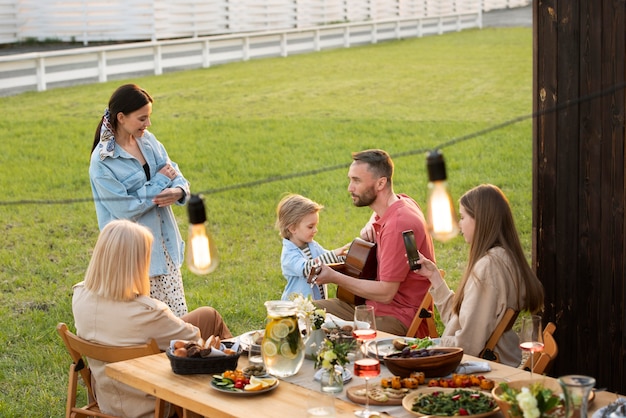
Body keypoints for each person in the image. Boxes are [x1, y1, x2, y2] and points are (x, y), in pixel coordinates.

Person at [72, 219, 232, 418]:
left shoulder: (79, 294)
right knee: (207, 336)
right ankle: (233, 388)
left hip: (106, 396)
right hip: (152, 405)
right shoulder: (148, 312)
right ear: (136, 263)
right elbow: (194, 338)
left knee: (208, 315)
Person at [89, 84, 190, 317]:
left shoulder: (148, 140)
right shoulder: (102, 162)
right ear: (121, 118)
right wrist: (159, 182)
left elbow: (173, 170)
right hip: (132, 254)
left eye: (149, 117)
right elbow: (125, 209)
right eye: (142, 118)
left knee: (177, 320)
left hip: (164, 246)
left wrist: (179, 192)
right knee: (148, 324)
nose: (148, 124)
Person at [417, 184, 544, 367]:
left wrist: (430, 346)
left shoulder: (488, 268)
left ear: (480, 220)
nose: (459, 224)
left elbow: (466, 345)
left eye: (462, 217)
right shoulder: (506, 256)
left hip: (486, 368)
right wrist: (434, 277)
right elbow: (464, 322)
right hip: (499, 360)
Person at [311, 149, 435, 336]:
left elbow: (386, 292)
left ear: (380, 183)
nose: (350, 188)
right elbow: (392, 205)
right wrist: (372, 220)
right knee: (299, 313)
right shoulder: (401, 203)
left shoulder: (397, 225)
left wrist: (334, 277)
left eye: (357, 181)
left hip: (398, 317)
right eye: (350, 179)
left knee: (320, 329)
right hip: (368, 306)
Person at [275, 193, 350, 300]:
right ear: (292, 229)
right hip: (297, 308)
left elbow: (327, 260)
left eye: (316, 225)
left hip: (315, 305)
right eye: (310, 227)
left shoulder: (312, 245)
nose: (315, 230)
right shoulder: (289, 254)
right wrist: (334, 254)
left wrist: (347, 257)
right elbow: (307, 269)